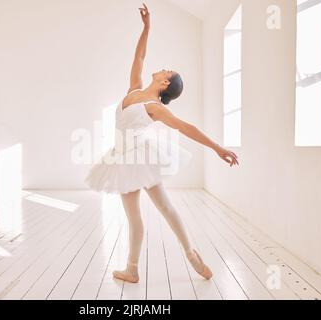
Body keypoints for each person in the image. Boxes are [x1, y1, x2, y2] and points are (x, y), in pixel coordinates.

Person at [85, 3, 239, 284]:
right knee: (134, 218)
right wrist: (147, 28)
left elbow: (186, 127)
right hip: (121, 159)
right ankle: (132, 269)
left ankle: (191, 253)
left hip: (140, 157)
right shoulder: (134, 89)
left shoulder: (155, 107)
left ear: (166, 83)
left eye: (168, 70)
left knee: (165, 207)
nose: (163, 67)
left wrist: (218, 148)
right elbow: (139, 56)